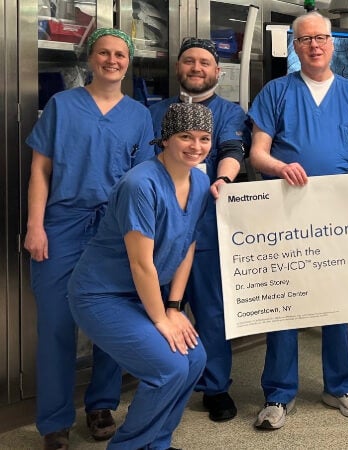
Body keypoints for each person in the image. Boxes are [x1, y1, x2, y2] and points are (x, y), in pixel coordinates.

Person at [247, 11, 348, 430]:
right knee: (285, 301)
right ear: (295, 46)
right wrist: (280, 167)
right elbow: (257, 153)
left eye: (321, 38)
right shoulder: (277, 91)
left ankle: (340, 386)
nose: (314, 45)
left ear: (332, 43)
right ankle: (278, 393)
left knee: (335, 300)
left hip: (337, 213)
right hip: (287, 211)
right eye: (305, 40)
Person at [24, 27, 155, 449]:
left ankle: (101, 405)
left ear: (128, 63)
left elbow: (143, 180)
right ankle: (55, 421)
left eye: (120, 54)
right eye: (104, 53)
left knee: (112, 321)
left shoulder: (139, 116)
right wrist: (35, 225)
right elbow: (40, 170)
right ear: (90, 59)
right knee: (56, 324)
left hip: (114, 228)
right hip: (62, 224)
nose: (112, 60)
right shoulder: (62, 106)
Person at [67, 102, 210, 450]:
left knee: (195, 359)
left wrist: (174, 307)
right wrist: (161, 319)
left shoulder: (200, 181)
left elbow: (187, 245)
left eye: (204, 138)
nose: (196, 146)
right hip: (102, 295)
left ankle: (157, 443)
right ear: (165, 139)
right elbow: (141, 264)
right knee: (169, 368)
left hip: (143, 293)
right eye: (185, 136)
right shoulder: (140, 185)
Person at [149, 37, 248, 423]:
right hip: (159, 231)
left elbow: (232, 151)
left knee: (211, 312)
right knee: (157, 310)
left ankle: (216, 387)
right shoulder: (154, 112)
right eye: (189, 61)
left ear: (217, 71)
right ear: (178, 68)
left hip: (206, 227)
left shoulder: (229, 113)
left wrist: (222, 181)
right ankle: (163, 382)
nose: (196, 68)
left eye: (204, 62)